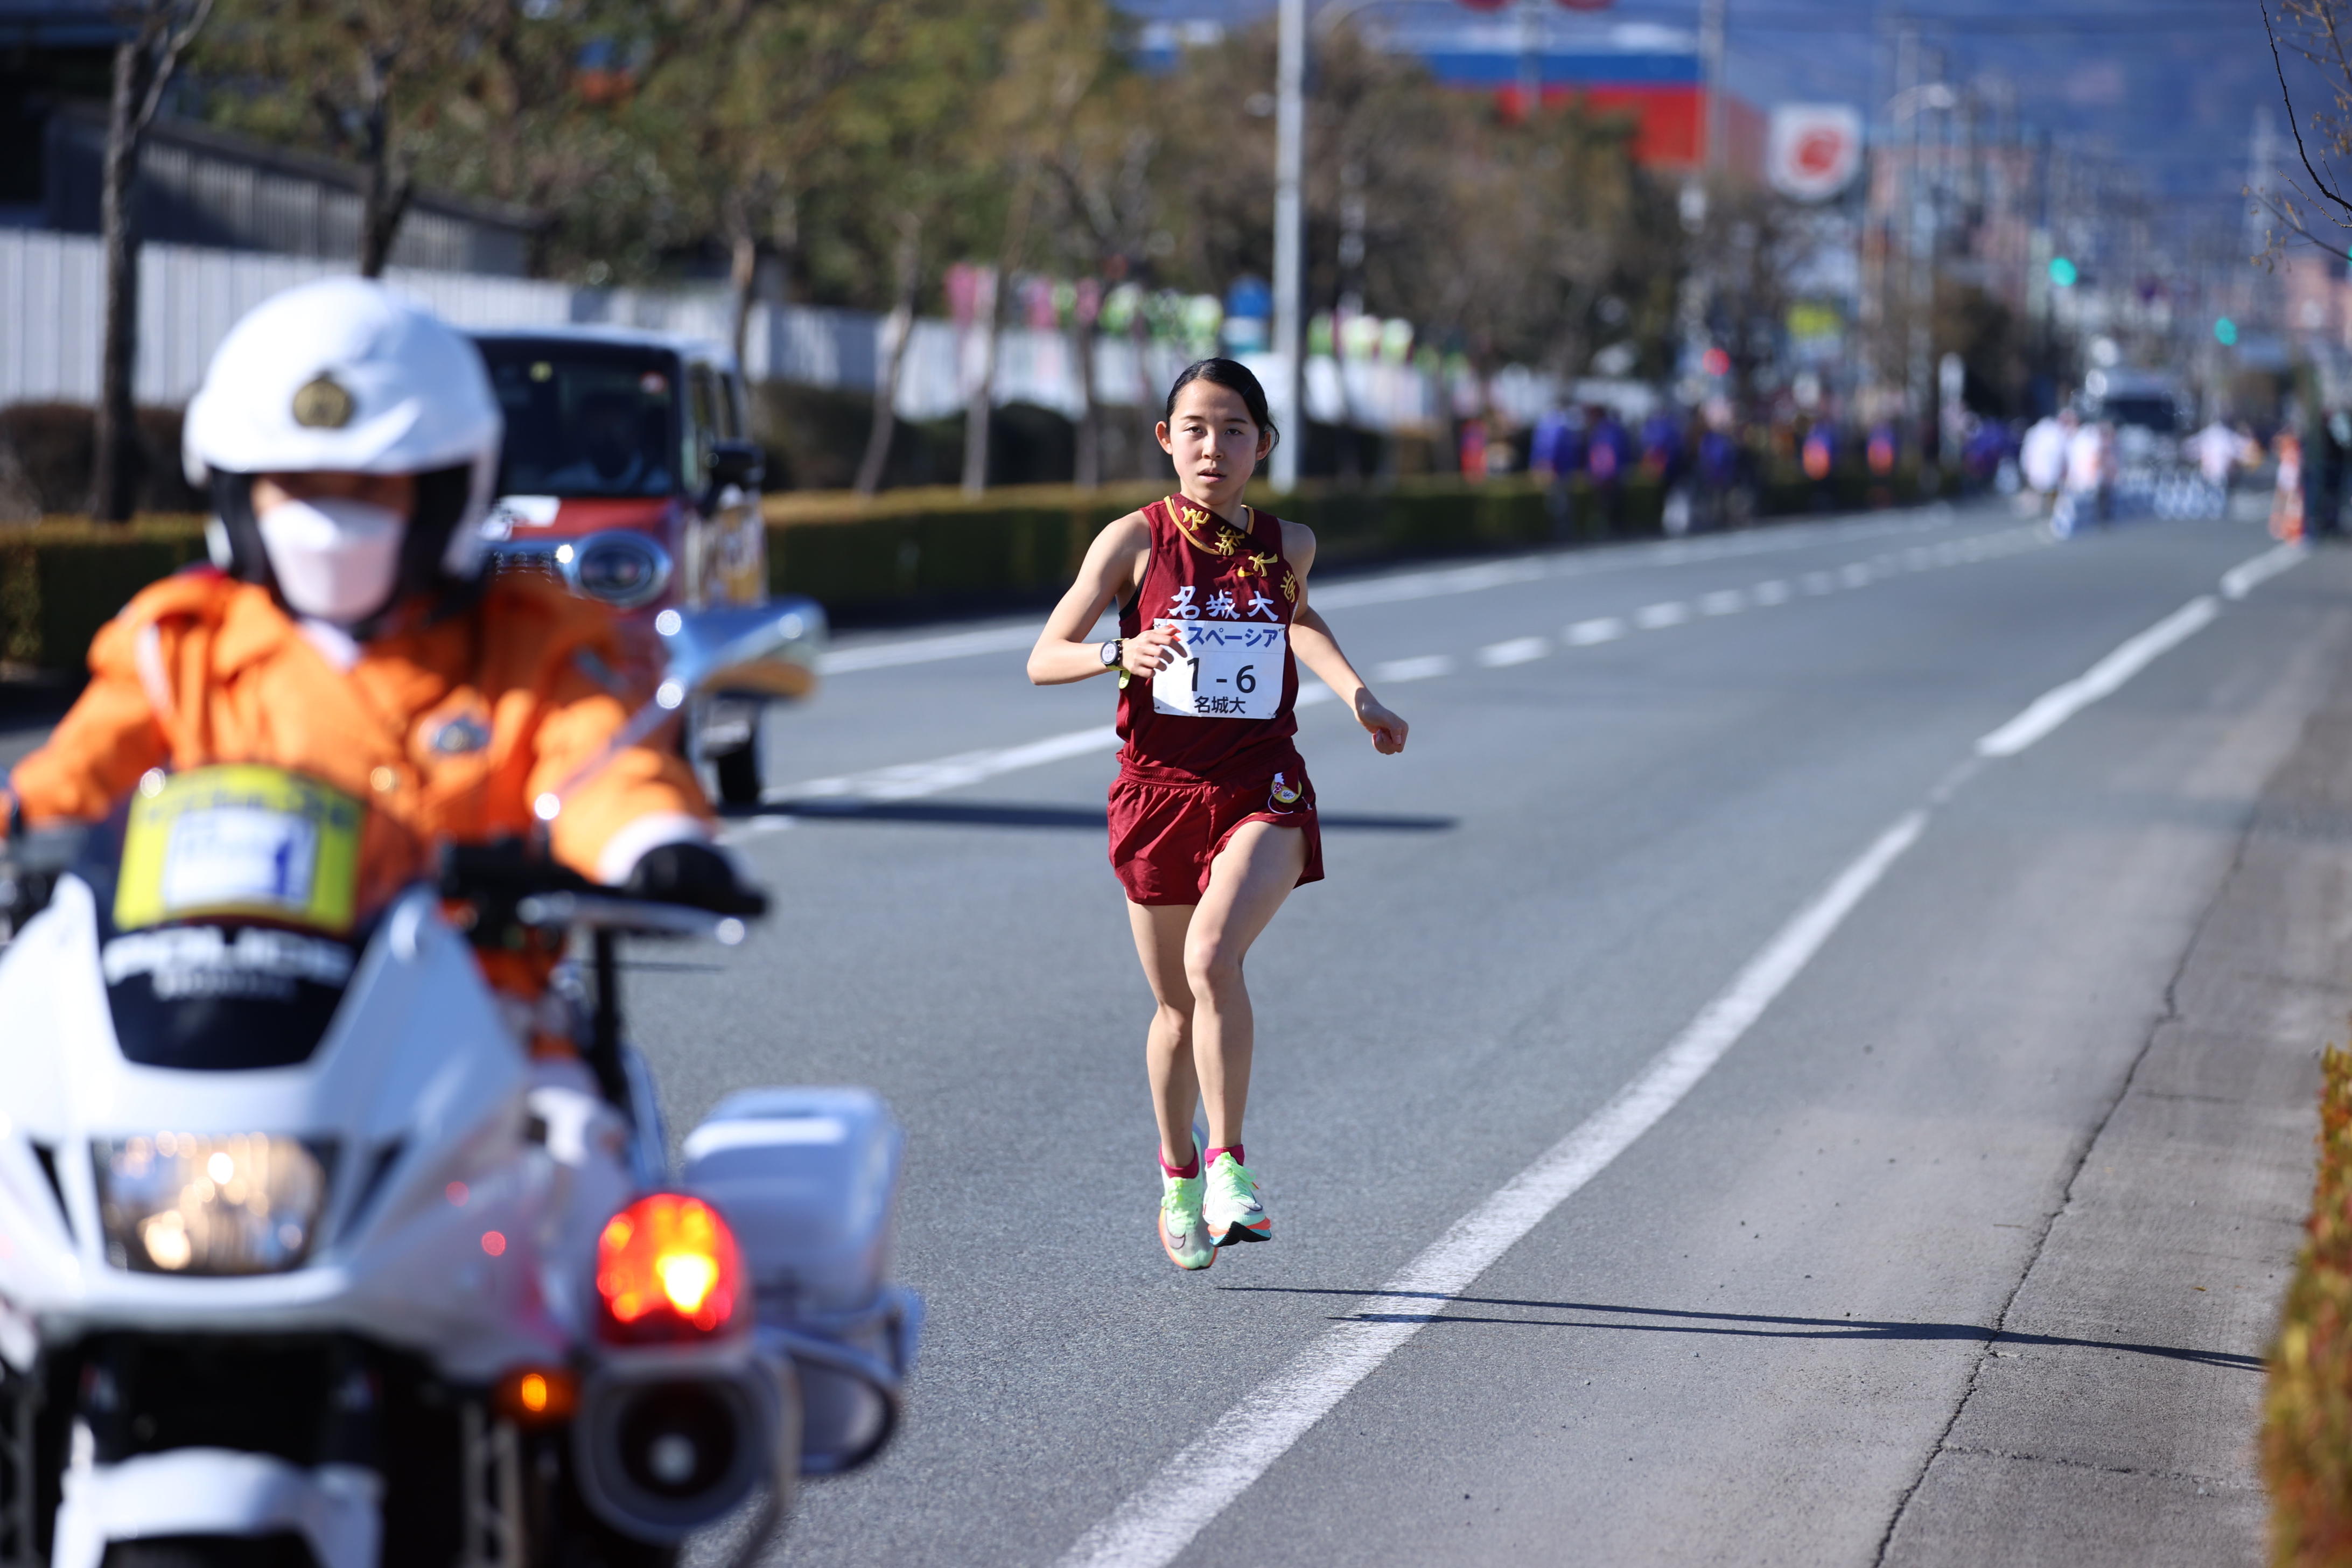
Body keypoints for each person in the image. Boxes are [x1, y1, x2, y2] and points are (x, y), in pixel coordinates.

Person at [2, 279, 753, 982]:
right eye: (293, 486)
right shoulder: (178, 647)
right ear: (237, 499)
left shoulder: (529, 641)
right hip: (218, 1009)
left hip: (484, 1025)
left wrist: (654, 844)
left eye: (369, 487)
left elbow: (601, 770)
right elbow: (77, 776)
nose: (327, 521)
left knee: (577, 1126)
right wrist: (16, 818)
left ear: (443, 494)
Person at [1026, 359, 1408, 1272]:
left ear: (1262, 446)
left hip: (1259, 784)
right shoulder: (1134, 542)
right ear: (1167, 440)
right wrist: (1124, 649)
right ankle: (1180, 1175)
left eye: (1234, 430)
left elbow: (1297, 619)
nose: (1214, 446)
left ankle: (1233, 1164)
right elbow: (1044, 654)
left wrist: (1360, 698)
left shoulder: (1290, 542)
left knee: (1211, 959)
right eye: (1195, 428)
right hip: (1157, 793)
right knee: (1170, 1009)